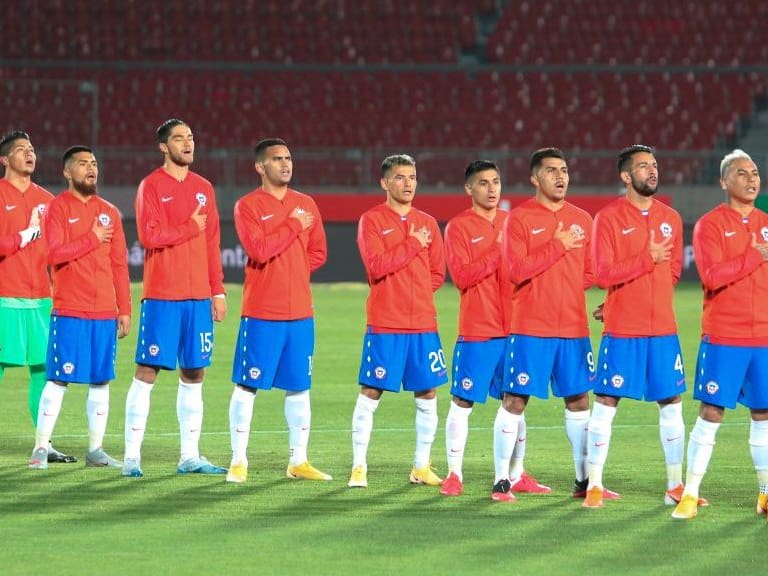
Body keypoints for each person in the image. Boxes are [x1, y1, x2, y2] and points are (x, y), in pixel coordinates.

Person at [585, 144, 688, 508]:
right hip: (623, 330)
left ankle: (675, 485)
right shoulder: (608, 218)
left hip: (663, 328)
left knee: (671, 401)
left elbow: (673, 270)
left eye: (655, 165)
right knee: (607, 400)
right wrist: (645, 262)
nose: (652, 171)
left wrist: (646, 292)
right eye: (644, 166)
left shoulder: (671, 218)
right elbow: (602, 274)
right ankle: (594, 484)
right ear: (626, 176)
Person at [122, 118, 227, 477]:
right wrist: (188, 228)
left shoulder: (204, 188)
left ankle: (189, 456)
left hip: (199, 297)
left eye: (191, 137)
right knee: (147, 370)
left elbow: (212, 243)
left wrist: (218, 290)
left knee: (195, 372)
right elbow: (149, 236)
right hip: (163, 294)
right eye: (180, 138)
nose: (188, 143)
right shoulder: (151, 186)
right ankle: (132, 456)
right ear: (163, 147)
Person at [440, 160, 550, 498]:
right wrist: (497, 249)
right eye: (484, 183)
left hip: (516, 329)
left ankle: (516, 474)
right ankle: (453, 474)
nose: (492, 189)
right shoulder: (458, 227)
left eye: (496, 182)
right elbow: (462, 276)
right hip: (478, 329)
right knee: (462, 401)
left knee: (516, 401)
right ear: (469, 189)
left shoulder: (513, 224)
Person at [227, 138, 331, 483]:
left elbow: (319, 253)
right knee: (247, 385)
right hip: (261, 312)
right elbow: (258, 249)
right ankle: (238, 460)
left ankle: (298, 461)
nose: (286, 164)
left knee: (299, 386)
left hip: (300, 313)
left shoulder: (307, 204)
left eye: (288, 158)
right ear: (260, 167)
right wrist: (292, 227)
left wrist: (293, 270)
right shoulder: (248, 206)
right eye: (277, 159)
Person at [492, 148, 594, 502]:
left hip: (573, 328)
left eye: (564, 170)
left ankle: (584, 481)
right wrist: (557, 246)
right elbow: (515, 271)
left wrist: (562, 289)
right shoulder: (518, 220)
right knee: (515, 400)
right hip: (530, 327)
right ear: (535, 178)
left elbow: (591, 270)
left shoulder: (583, 219)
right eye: (551, 171)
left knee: (579, 402)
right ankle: (502, 479)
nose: (560, 176)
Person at [672, 149, 768, 520]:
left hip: (763, 338)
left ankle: (764, 494)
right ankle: (691, 493)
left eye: (755, 172)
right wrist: (754, 257)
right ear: (724, 182)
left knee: (763, 414)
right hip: (725, 335)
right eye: (742, 173)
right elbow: (711, 277)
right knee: (711, 411)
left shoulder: (765, 222)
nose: (751, 179)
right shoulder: (709, 225)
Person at [348, 153, 447, 489]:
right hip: (386, 322)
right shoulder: (372, 220)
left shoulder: (429, 223)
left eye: (413, 177)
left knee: (427, 393)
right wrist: (411, 245)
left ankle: (421, 466)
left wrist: (414, 290)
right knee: (371, 390)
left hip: (422, 322)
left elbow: (436, 274)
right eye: (401, 177)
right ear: (385, 183)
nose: (408, 184)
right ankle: (359, 466)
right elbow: (376, 266)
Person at [28, 146, 130, 469]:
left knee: (101, 380)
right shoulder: (56, 209)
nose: (91, 168)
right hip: (70, 309)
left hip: (103, 313)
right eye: (83, 164)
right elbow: (54, 254)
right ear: (67, 172)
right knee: (58, 379)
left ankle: (96, 451)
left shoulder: (110, 212)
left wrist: (124, 308)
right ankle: (41, 448)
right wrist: (92, 237)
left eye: (94, 163)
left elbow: (120, 265)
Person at [0, 130, 76, 464]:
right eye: (21, 150)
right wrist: (26, 234)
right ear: (5, 160)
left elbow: (56, 252)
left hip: (41, 300)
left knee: (44, 372)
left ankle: (43, 444)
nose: (29, 154)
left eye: (31, 149)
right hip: (4, 298)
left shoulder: (48, 200)